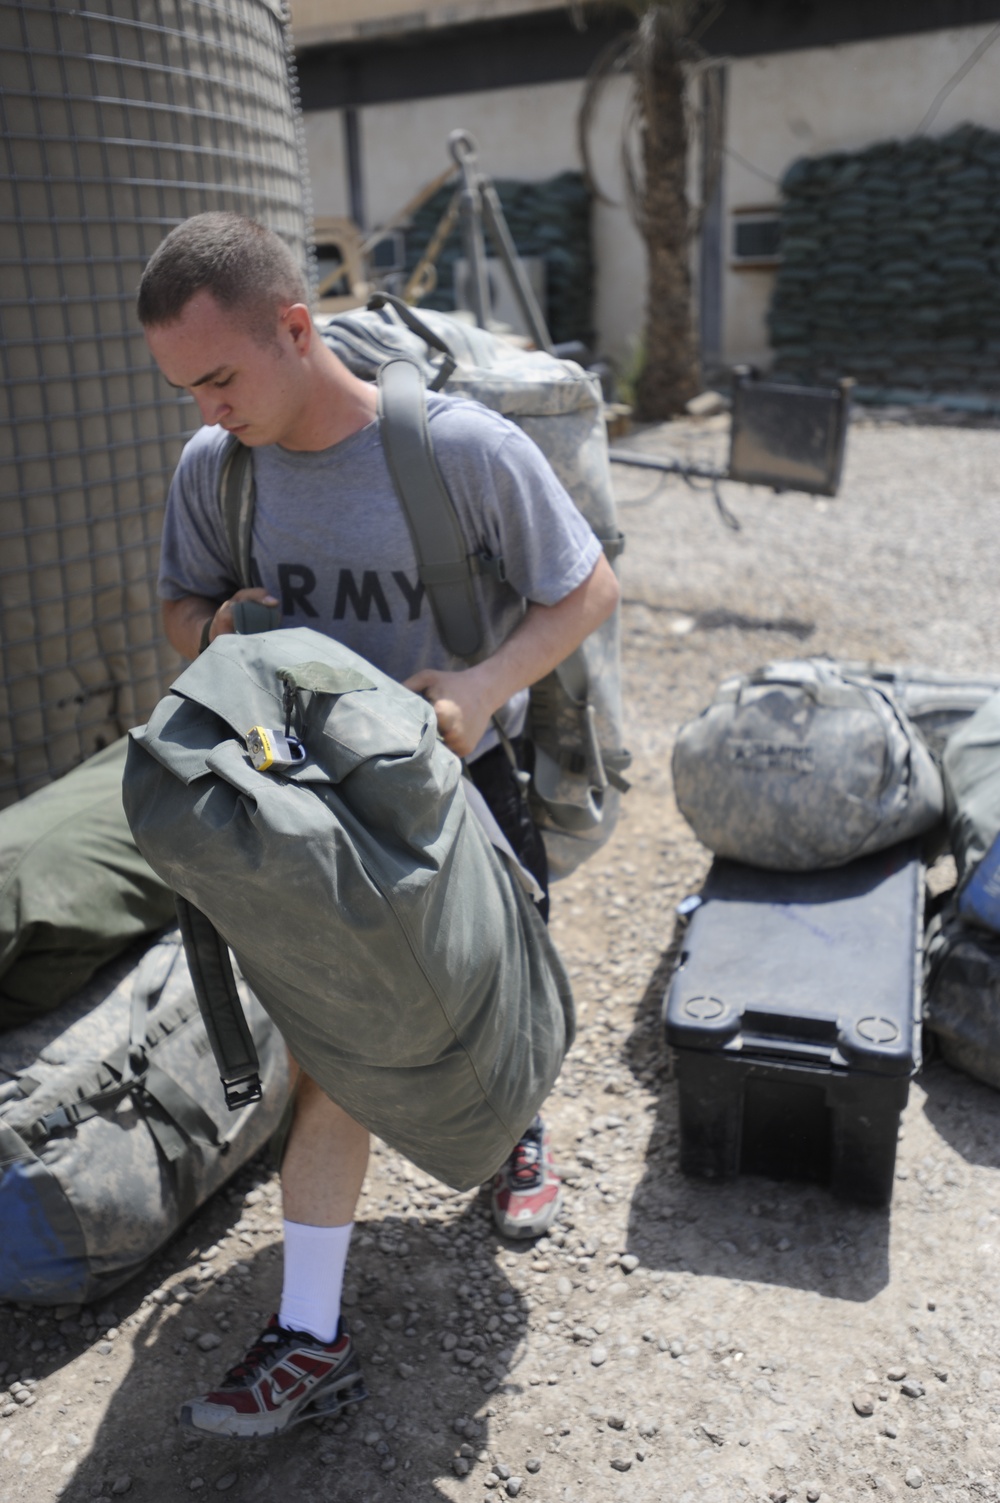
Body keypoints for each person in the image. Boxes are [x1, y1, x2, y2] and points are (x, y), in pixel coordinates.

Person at [137, 212, 619, 1439]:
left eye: (220, 379)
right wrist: (217, 633)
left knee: (489, 1012)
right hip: (312, 824)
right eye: (185, 389)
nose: (205, 412)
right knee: (336, 1061)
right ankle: (312, 1335)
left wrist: (476, 687)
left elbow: (587, 587)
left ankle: (512, 1124)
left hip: (465, 802)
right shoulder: (217, 469)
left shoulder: (457, 450)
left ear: (296, 329)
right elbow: (182, 610)